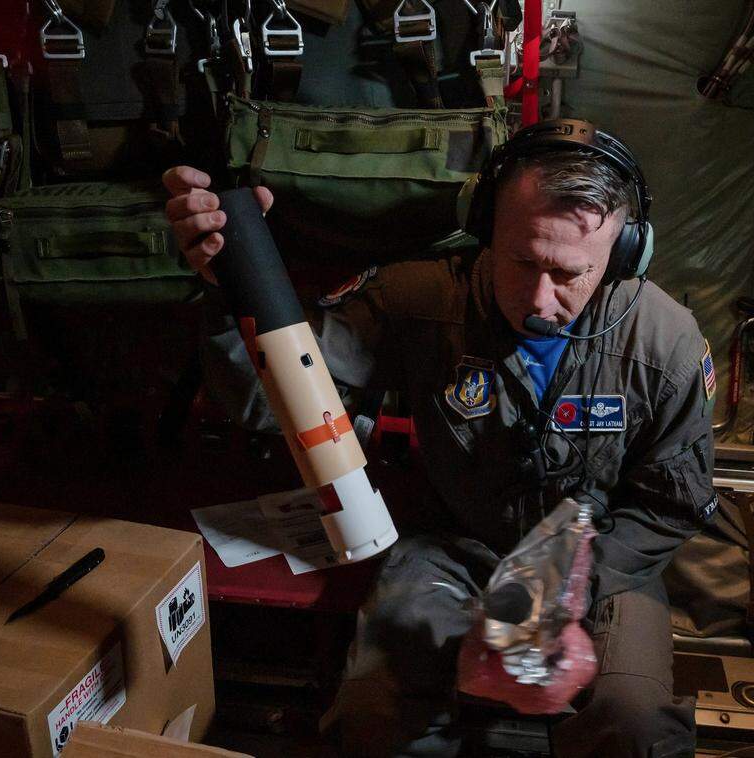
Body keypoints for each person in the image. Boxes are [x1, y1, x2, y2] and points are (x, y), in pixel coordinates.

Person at [162, 120, 717, 758]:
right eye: (521, 261)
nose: (540, 299)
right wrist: (228, 285)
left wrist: (568, 586)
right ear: (485, 226)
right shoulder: (419, 298)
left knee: (636, 726)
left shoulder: (664, 343)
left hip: (601, 558)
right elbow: (271, 399)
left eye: (568, 274)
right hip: (454, 543)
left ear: (624, 255)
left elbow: (672, 504)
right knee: (373, 711)